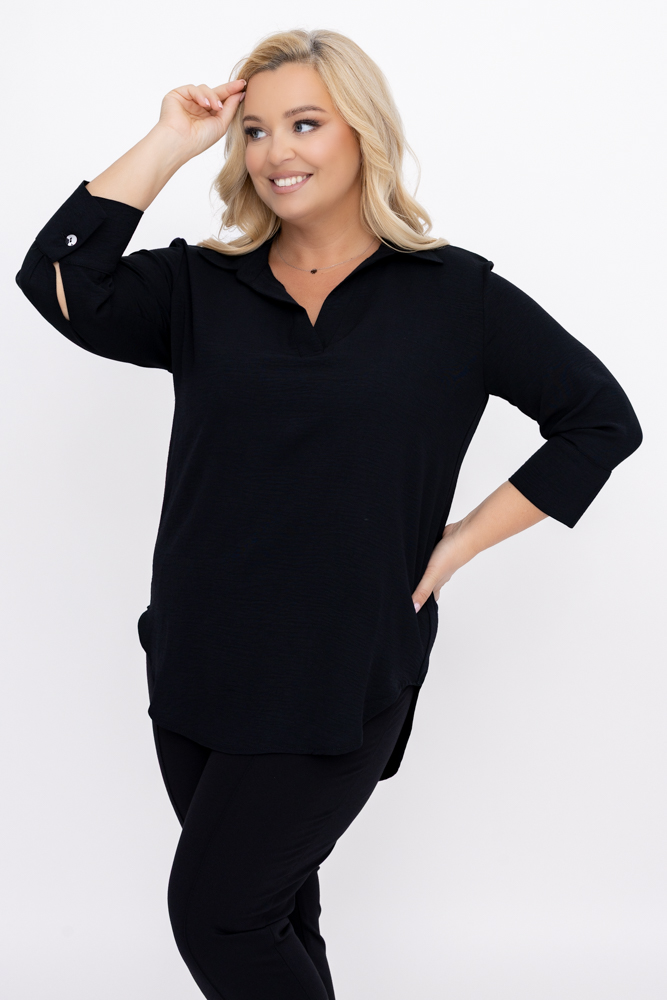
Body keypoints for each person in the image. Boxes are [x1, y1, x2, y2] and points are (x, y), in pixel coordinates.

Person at [15, 27, 642, 1000]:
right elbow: (58, 280)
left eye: (305, 123)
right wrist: (172, 138)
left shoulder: (455, 297)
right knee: (273, 915)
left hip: (343, 665)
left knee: (219, 915)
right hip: (198, 657)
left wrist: (456, 545)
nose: (277, 152)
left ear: (362, 132)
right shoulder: (200, 287)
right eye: (256, 131)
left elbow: (599, 420)